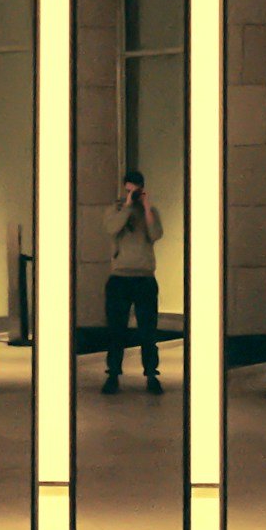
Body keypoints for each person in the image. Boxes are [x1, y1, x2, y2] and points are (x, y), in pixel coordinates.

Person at [101, 169, 165, 396]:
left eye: (135, 190)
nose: (133, 193)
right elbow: (111, 229)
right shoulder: (115, 210)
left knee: (148, 331)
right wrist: (128, 205)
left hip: (145, 278)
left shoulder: (151, 211)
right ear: (124, 188)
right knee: (116, 330)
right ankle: (113, 375)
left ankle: (151, 375)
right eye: (129, 189)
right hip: (120, 278)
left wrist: (146, 207)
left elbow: (156, 234)